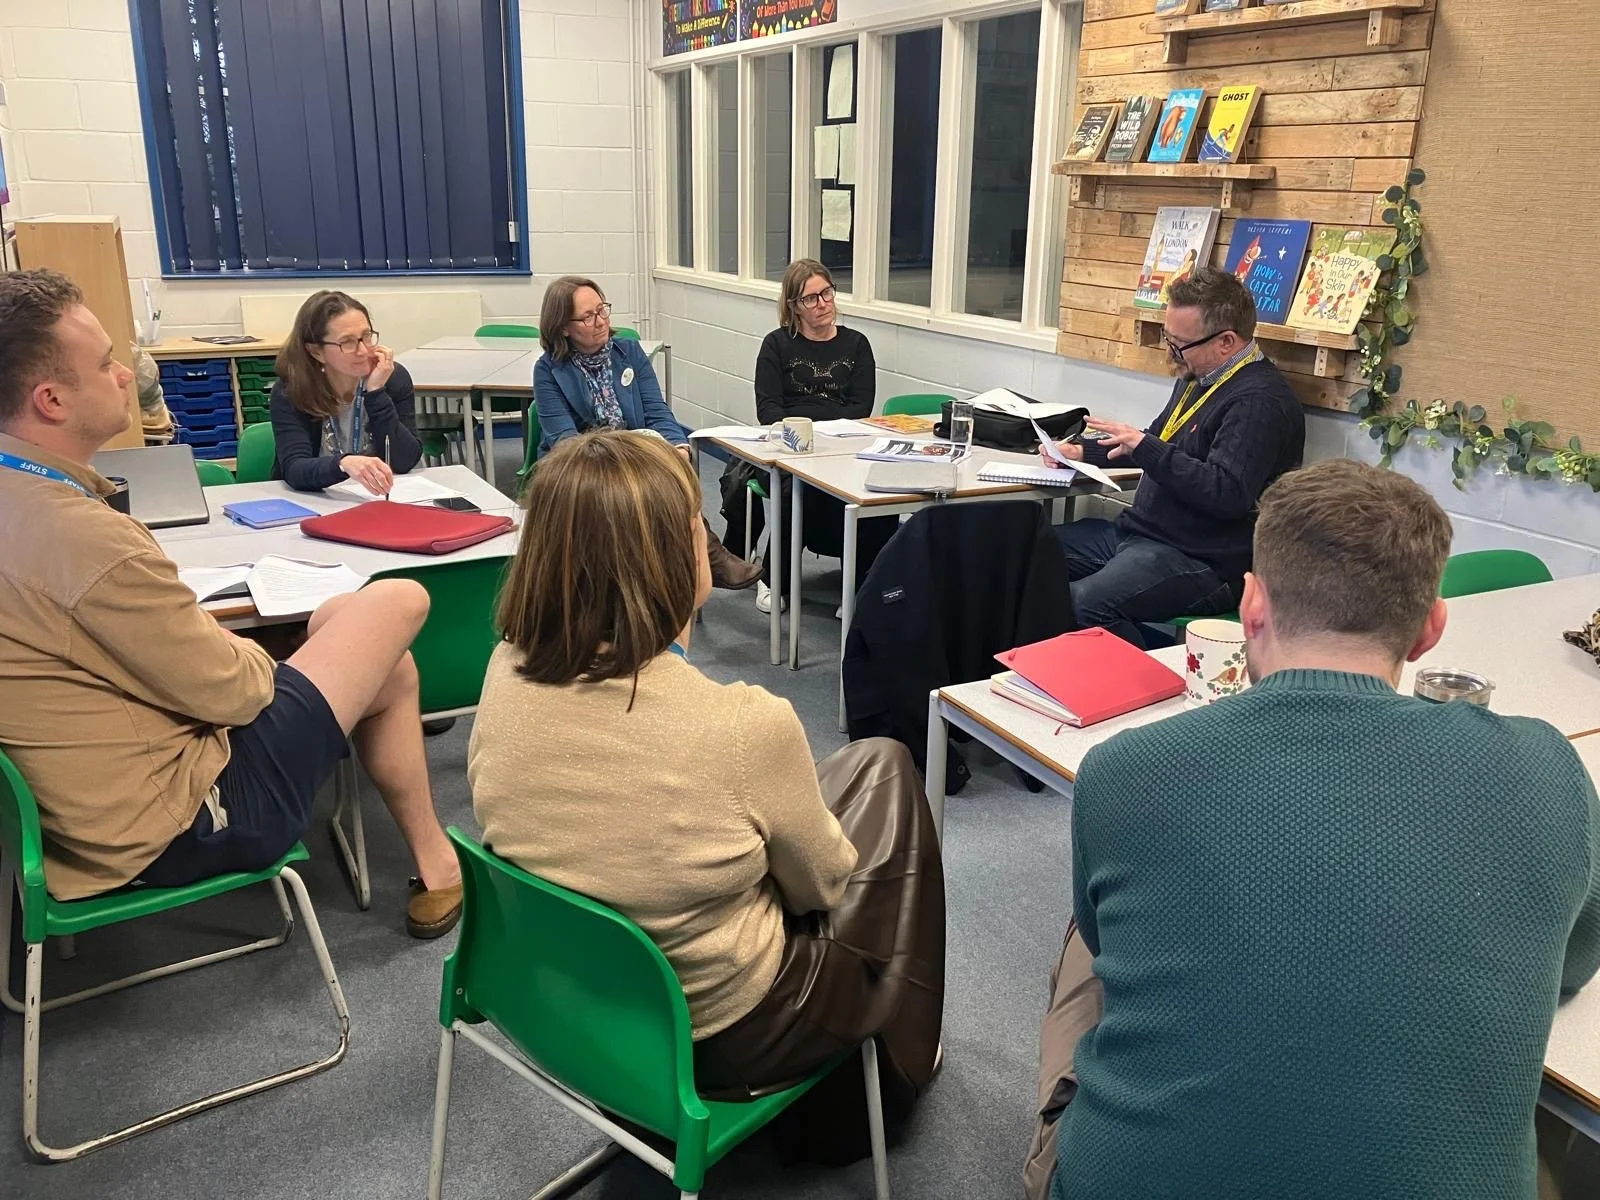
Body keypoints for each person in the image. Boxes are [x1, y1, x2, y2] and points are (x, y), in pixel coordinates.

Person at [1027, 458, 1600, 1200]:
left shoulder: (1124, 769)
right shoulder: (1549, 769)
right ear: (1431, 629)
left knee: (1087, 944)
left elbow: (1115, 945)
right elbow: (1571, 963)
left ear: (1250, 605)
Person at [469, 429, 944, 1159]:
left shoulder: (504, 669)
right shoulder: (742, 724)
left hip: (558, 999)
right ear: (668, 555)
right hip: (725, 1032)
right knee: (889, 795)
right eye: (698, 525)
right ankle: (893, 1082)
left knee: (870, 764)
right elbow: (823, 887)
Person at [0, 269, 462, 938]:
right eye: (105, 365)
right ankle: (438, 859)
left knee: (374, 656)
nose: (128, 377)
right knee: (394, 603)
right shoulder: (86, 540)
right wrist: (259, 652)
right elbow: (234, 695)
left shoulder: (24, 504)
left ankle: (436, 862)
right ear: (50, 399)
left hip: (87, 805)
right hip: (190, 817)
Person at [1042, 267, 1303, 646]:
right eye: (1169, 338)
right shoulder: (1199, 376)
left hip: (1204, 560)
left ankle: (1155, 690)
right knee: (1030, 554)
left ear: (1226, 342)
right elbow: (1154, 445)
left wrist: (1147, 447)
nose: (1171, 352)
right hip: (1142, 535)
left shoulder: (1259, 402)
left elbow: (1226, 492)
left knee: (1085, 605)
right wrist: (1081, 451)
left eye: (1179, 344)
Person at [534, 275, 760, 590]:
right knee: (636, 492)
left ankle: (696, 561)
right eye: (588, 316)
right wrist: (624, 456)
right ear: (563, 327)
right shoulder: (548, 370)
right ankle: (704, 559)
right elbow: (565, 441)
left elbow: (657, 411)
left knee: (672, 473)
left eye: (603, 310)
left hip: (635, 454)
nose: (600, 321)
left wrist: (678, 447)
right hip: (580, 465)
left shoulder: (628, 351)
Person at [730, 258, 895, 614]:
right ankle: (773, 578)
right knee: (797, 491)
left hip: (845, 447)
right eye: (810, 298)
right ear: (793, 307)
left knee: (879, 493)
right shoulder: (776, 345)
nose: (822, 304)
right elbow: (769, 412)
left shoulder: (857, 345)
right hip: (788, 449)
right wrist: (815, 424)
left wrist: (809, 417)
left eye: (827, 293)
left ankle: (860, 585)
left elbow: (861, 408)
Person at [271, 290, 422, 495]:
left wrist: (376, 393)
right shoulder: (291, 390)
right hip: (318, 499)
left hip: (377, 499)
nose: (363, 351)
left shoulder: (392, 378)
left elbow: (405, 461)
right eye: (347, 342)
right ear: (316, 351)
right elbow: (295, 468)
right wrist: (343, 464)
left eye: (366, 337)